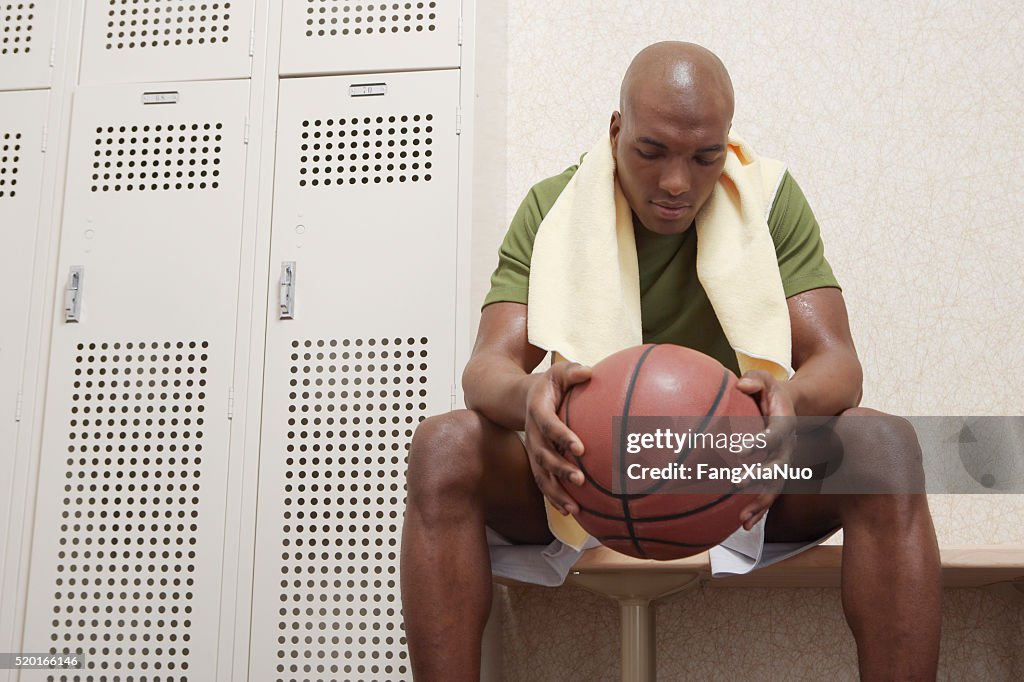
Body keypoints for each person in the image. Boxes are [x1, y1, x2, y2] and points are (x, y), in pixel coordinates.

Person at [401, 41, 941, 681]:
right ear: (615, 129)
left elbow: (837, 364)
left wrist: (787, 404)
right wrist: (529, 398)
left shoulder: (768, 199)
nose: (677, 182)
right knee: (444, 445)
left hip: (734, 473)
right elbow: (487, 368)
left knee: (884, 445)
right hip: (578, 477)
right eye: (651, 151)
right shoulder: (553, 207)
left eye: (705, 157)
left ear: (728, 145)